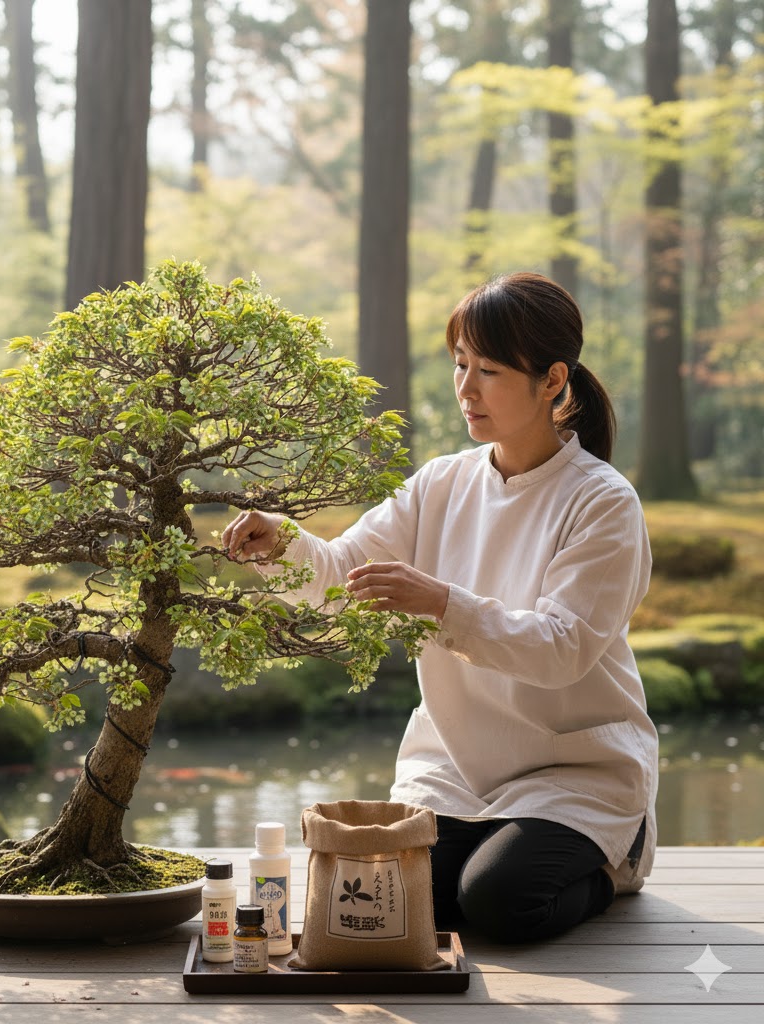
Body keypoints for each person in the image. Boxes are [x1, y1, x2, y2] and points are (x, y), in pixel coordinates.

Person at [221, 272, 658, 944]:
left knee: (499, 900)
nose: (466, 388)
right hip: (455, 767)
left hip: (574, 771)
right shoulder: (442, 483)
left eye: (488, 370)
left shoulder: (601, 502)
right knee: (400, 903)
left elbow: (562, 649)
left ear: (552, 381)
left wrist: (443, 605)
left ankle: (618, 858)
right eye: (459, 366)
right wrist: (282, 542)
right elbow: (342, 576)